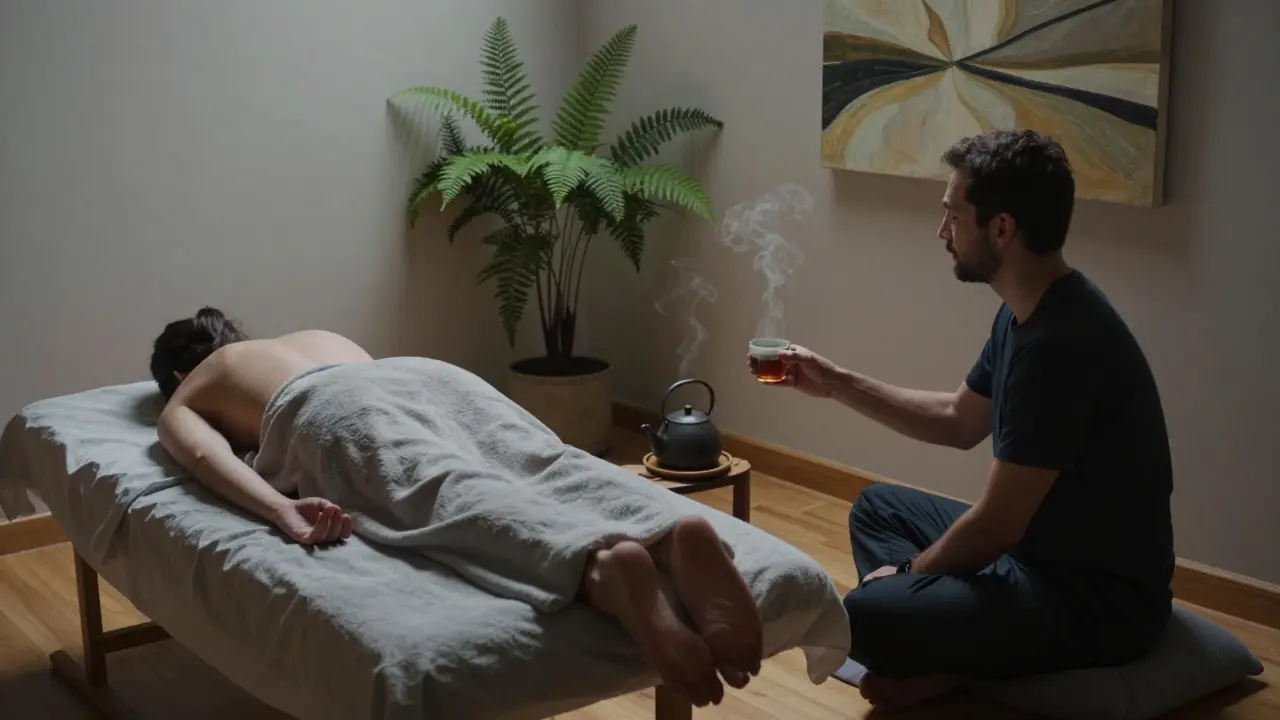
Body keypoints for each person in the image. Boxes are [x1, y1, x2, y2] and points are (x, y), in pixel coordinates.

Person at [149, 307, 762, 708]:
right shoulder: (313, 334)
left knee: (455, 493)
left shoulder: (204, 375)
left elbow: (201, 456)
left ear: (179, 371)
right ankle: (664, 531)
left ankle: (604, 573)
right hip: (429, 378)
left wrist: (281, 511)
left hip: (331, 408)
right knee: (541, 462)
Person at [769, 129, 1175, 710]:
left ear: (1002, 229)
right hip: (1034, 556)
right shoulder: (1026, 312)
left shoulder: (1062, 345)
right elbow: (959, 420)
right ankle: (952, 657)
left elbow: (996, 527)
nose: (942, 232)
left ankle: (951, 658)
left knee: (860, 613)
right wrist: (836, 382)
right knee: (877, 508)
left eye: (952, 216)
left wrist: (909, 574)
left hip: (1095, 602)